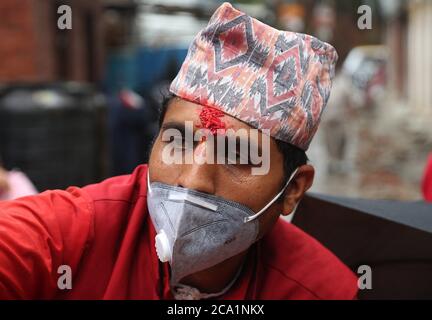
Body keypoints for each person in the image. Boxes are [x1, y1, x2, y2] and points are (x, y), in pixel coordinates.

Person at [0, 2, 358, 299]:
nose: (192, 180)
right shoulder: (72, 234)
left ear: (292, 189)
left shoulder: (318, 290)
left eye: (238, 157)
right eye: (178, 143)